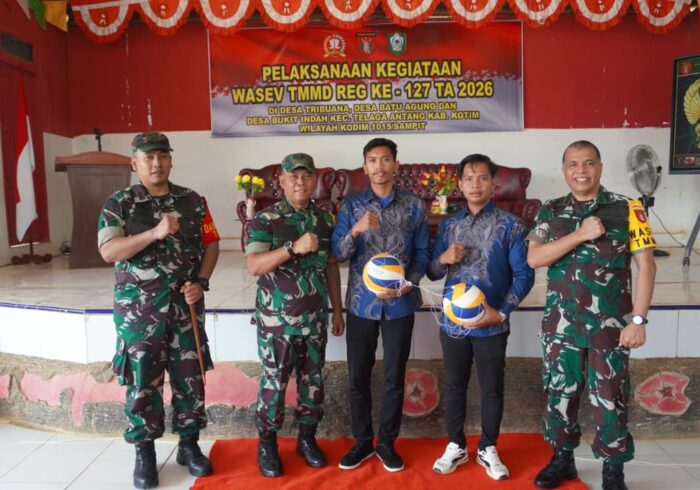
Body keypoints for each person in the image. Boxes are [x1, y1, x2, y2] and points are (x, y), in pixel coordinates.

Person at [527, 140, 657, 490]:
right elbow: (535, 258)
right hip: (561, 326)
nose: (580, 171)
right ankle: (562, 459)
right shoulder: (550, 211)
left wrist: (638, 320)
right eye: (573, 164)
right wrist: (580, 234)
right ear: (564, 170)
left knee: (611, 398)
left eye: (588, 163)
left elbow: (647, 266)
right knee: (560, 394)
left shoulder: (628, 209)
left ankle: (613, 471)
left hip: (610, 327)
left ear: (600, 167)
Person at [98, 131, 220, 489]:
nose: (156, 163)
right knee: (142, 384)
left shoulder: (193, 201)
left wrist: (201, 281)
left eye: (162, 155)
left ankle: (189, 445)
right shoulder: (119, 202)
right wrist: (153, 233)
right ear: (134, 163)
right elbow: (109, 251)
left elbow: (211, 244)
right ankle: (145, 452)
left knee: (190, 378)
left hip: (185, 308)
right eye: (148, 157)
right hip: (140, 312)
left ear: (170, 159)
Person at [427, 154, 534, 479]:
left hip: (491, 323)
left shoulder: (512, 225)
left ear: (493, 183)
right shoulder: (449, 225)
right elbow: (432, 272)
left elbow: (524, 275)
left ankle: (488, 447)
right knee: (454, 384)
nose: (475, 184)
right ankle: (456, 445)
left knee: (492, 388)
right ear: (459, 184)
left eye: (483, 178)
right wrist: (443, 258)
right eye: (469, 178)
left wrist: (501, 313)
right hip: (453, 323)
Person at [332, 137, 429, 473]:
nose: (379, 166)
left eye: (385, 159)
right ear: (365, 166)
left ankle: (387, 442)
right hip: (362, 304)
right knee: (358, 375)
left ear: (395, 164)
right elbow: (338, 253)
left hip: (400, 304)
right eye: (372, 160)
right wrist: (356, 231)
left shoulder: (414, 206)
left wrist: (408, 282)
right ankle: (362, 441)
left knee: (394, 376)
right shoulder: (351, 207)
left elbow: (423, 253)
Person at [245, 153, 344, 478]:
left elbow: (331, 266)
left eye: (306, 176)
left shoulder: (325, 220)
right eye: (293, 177)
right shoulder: (266, 219)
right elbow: (254, 266)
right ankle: (267, 445)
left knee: (312, 384)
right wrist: (292, 248)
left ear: (314, 180)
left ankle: (306, 440)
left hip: (314, 321)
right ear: (282, 182)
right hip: (278, 324)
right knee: (274, 384)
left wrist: (337, 310)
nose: (300, 182)